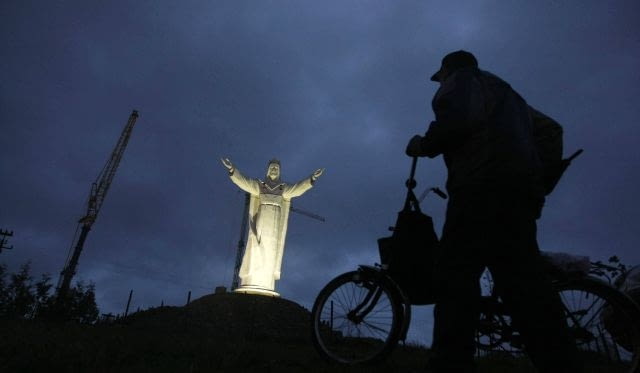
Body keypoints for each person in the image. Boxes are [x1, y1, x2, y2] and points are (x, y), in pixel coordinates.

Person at [405, 50, 581, 372]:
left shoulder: (460, 81)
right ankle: (562, 364)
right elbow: (551, 130)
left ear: (446, 69)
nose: (439, 81)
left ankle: (449, 364)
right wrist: (538, 179)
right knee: (526, 285)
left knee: (455, 276)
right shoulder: (507, 93)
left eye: (440, 75)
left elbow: (455, 122)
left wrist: (422, 144)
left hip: (478, 189)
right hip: (520, 197)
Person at [221, 158, 323, 296]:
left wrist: (312, 178)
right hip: (261, 222)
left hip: (274, 227)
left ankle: (266, 282)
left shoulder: (283, 188)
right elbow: (243, 181)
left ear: (279, 171)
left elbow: (297, 189)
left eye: (276, 168)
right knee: (256, 250)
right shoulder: (260, 185)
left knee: (271, 253)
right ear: (267, 170)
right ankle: (253, 280)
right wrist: (232, 170)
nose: (274, 170)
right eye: (272, 167)